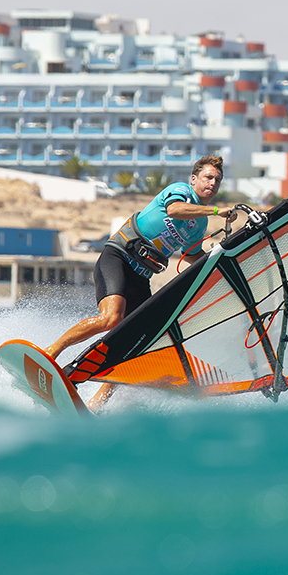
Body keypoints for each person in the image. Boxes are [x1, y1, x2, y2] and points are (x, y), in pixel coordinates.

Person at [46, 155, 232, 410]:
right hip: (118, 258)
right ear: (194, 179)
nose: (213, 183)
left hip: (141, 277)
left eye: (218, 180)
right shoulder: (180, 192)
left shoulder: (198, 225)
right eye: (208, 177)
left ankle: (97, 402)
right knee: (111, 319)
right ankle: (51, 352)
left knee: (138, 341)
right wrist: (215, 211)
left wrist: (220, 260)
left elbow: (192, 255)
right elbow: (174, 210)